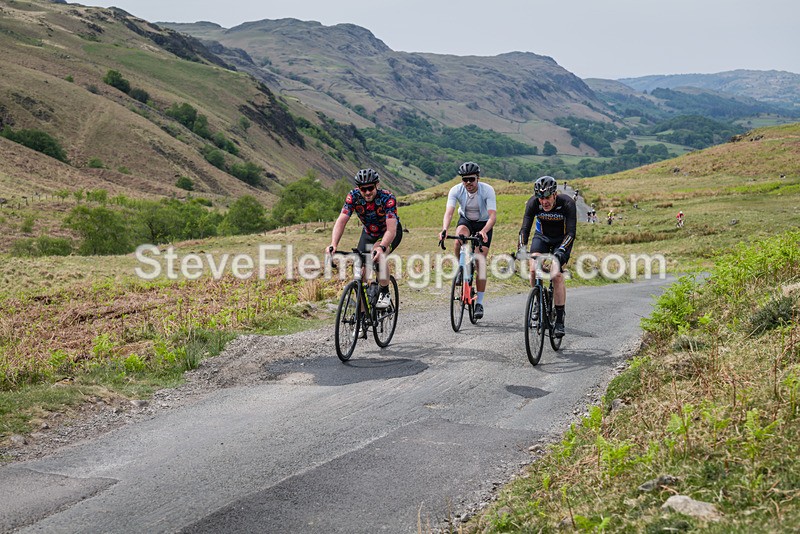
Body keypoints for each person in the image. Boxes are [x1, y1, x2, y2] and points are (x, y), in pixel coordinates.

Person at [328, 169, 402, 309]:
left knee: (378, 254)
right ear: (359, 188)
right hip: (369, 232)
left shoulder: (388, 198)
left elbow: (391, 229)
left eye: (370, 188)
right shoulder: (353, 196)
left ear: (377, 185)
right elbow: (342, 220)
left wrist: (382, 247)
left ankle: (385, 291)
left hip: (389, 232)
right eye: (363, 189)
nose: (367, 192)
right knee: (360, 274)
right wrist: (334, 244)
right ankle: (362, 317)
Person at [519, 176, 577, 337]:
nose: (544, 202)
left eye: (547, 198)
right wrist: (521, 248)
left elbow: (571, 233)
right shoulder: (533, 203)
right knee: (533, 269)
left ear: (555, 195)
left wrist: (560, 252)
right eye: (541, 198)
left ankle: (559, 320)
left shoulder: (567, 204)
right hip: (542, 238)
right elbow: (525, 229)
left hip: (562, 240)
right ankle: (537, 301)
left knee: (556, 275)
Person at [439, 161, 497, 320]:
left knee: (480, 262)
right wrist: (444, 229)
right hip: (466, 220)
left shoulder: (487, 190)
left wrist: (484, 231)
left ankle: (479, 302)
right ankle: (461, 266)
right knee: (458, 240)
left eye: (471, 179)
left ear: (478, 178)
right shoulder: (456, 190)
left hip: (484, 224)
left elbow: (493, 216)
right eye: (465, 180)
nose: (468, 183)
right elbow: (449, 212)